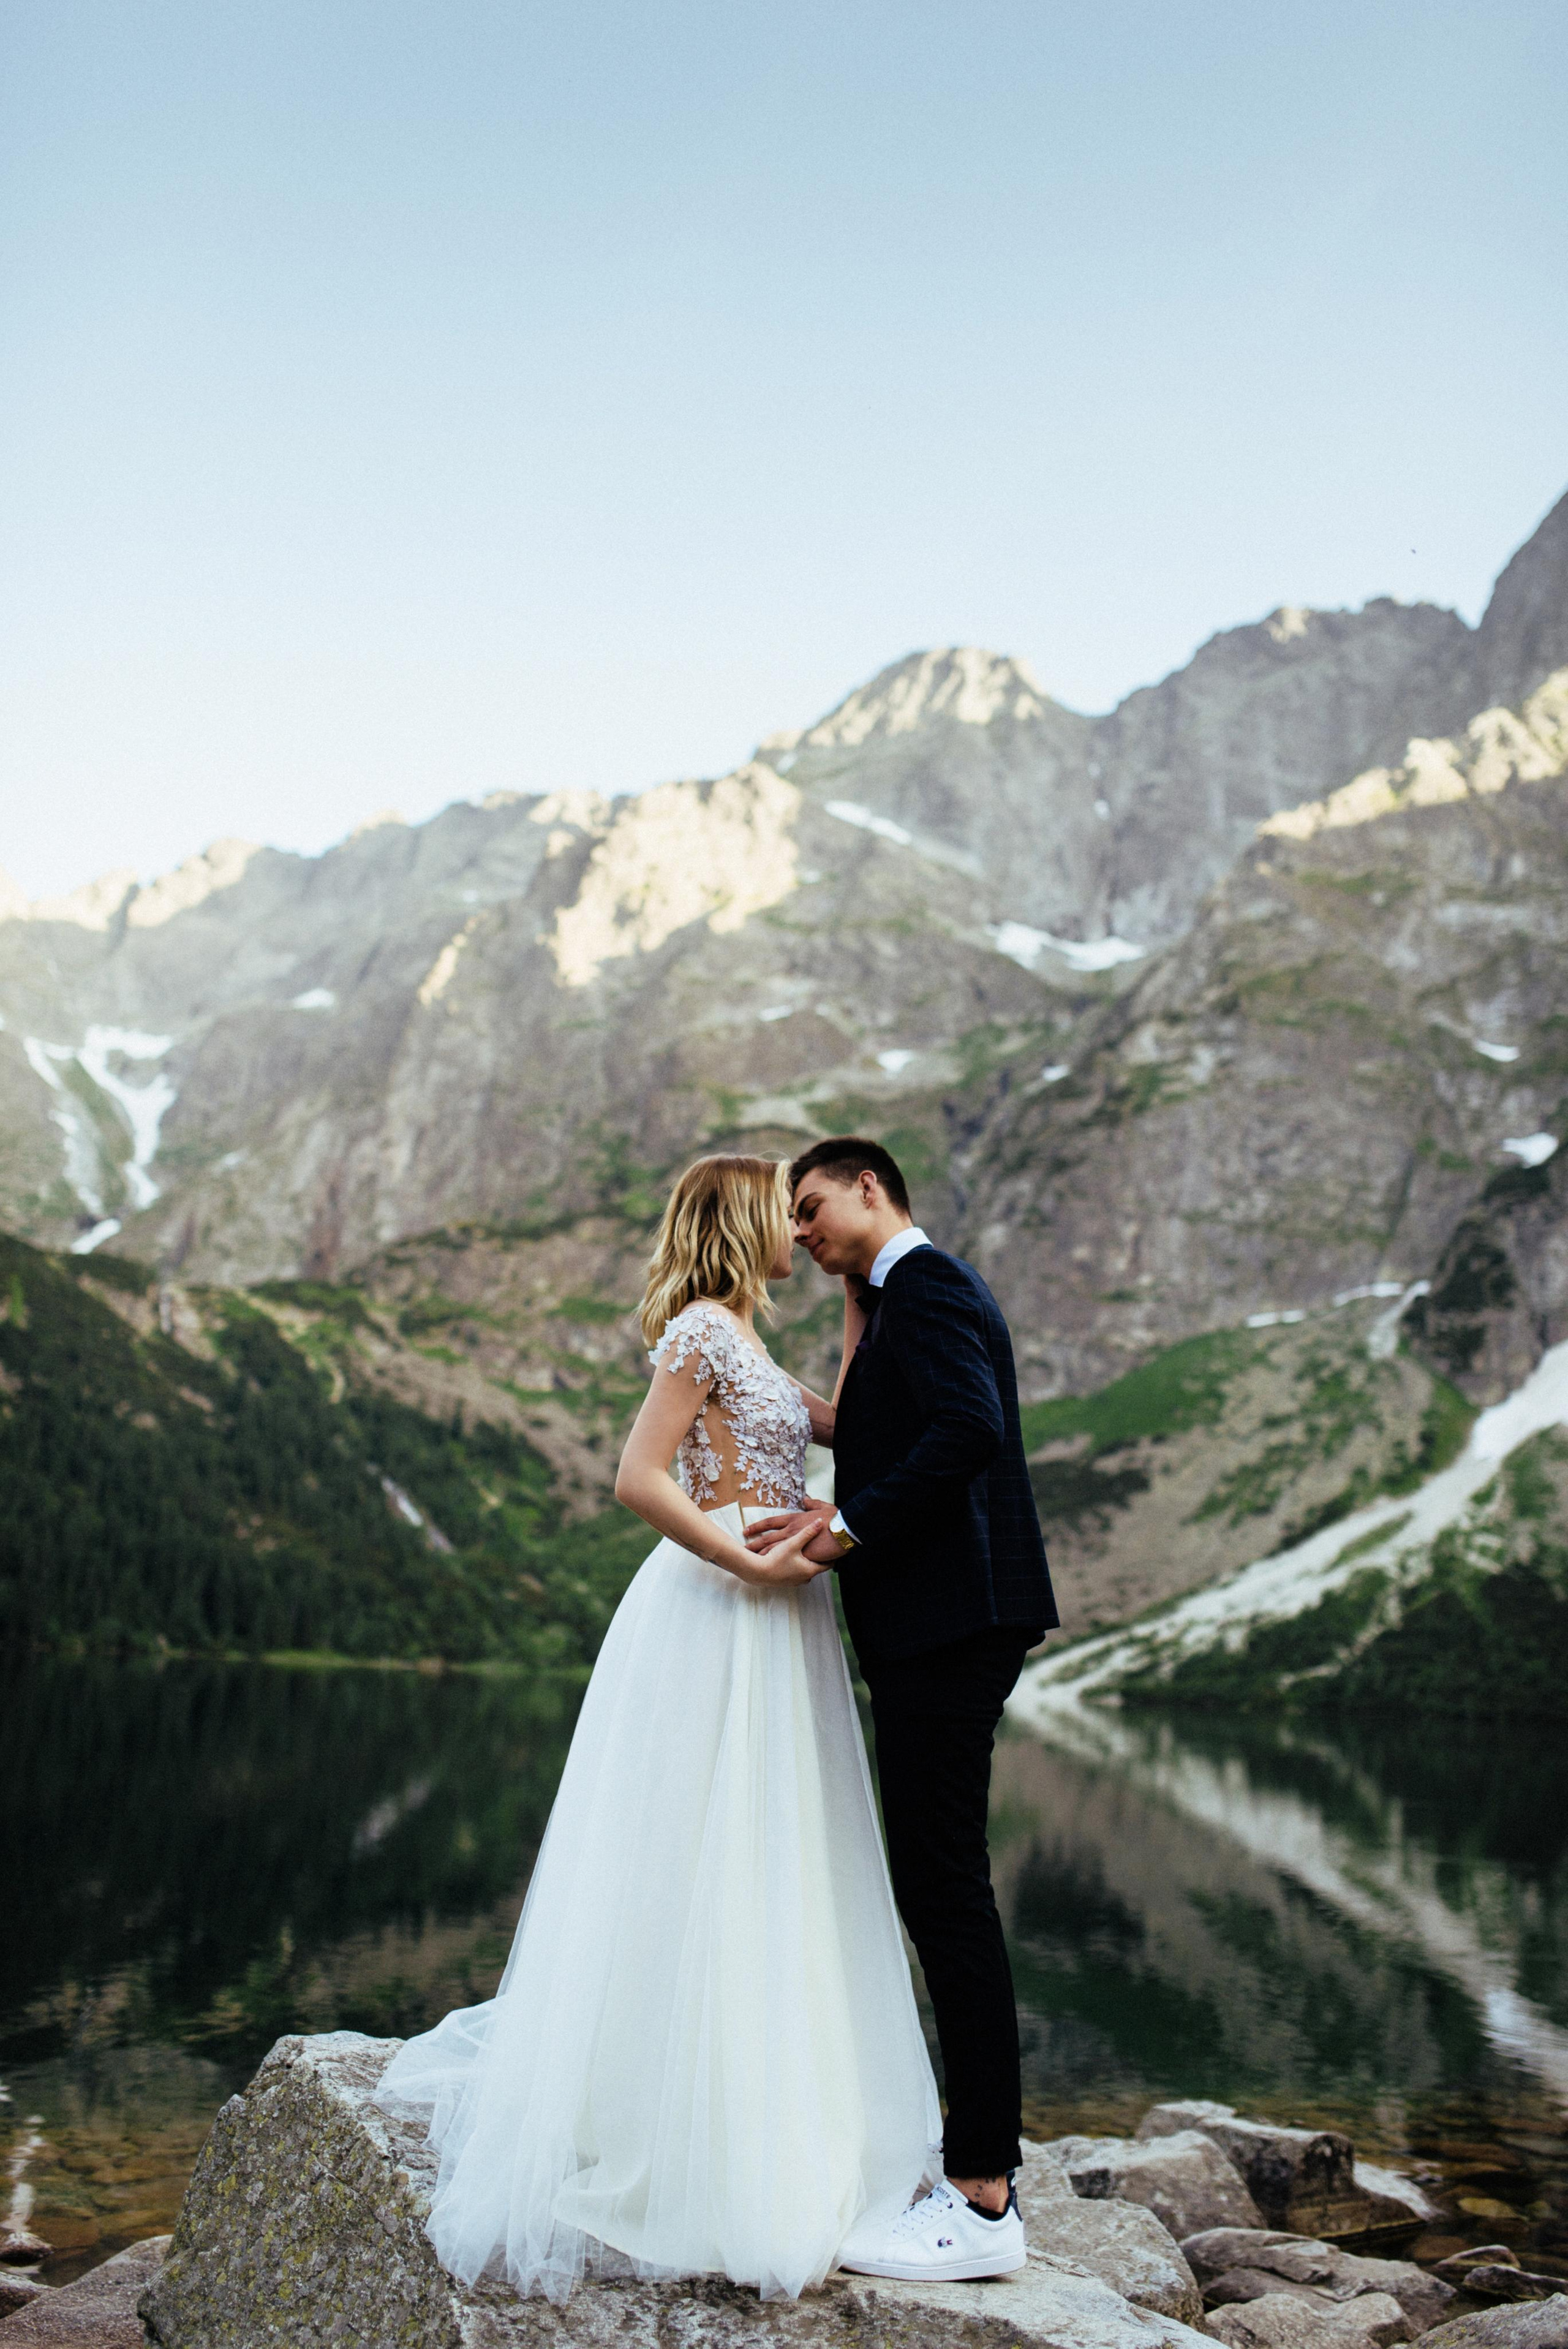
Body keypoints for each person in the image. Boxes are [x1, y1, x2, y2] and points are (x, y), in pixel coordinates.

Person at [373, 1152, 942, 2303]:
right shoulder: (698, 1331)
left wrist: (853, 1308)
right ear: (741, 1220)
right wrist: (738, 1552)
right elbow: (638, 1475)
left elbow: (858, 1428)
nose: (799, 1223)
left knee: (775, 1851)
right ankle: (665, 2115)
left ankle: (762, 2098)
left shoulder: (751, 1338)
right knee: (699, 1841)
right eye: (782, 1209)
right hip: (719, 1604)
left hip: (782, 1616)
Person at [744, 1135, 1057, 2282]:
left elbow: (968, 1428)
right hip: (944, 1631)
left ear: (870, 1186)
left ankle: (981, 2197)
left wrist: (844, 1528)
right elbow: (893, 1425)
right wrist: (794, 1379)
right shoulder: (904, 1296)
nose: (802, 1233)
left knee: (945, 1889)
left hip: (946, 1630)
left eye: (815, 1208)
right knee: (938, 1883)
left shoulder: (926, 1286)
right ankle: (971, 2167)